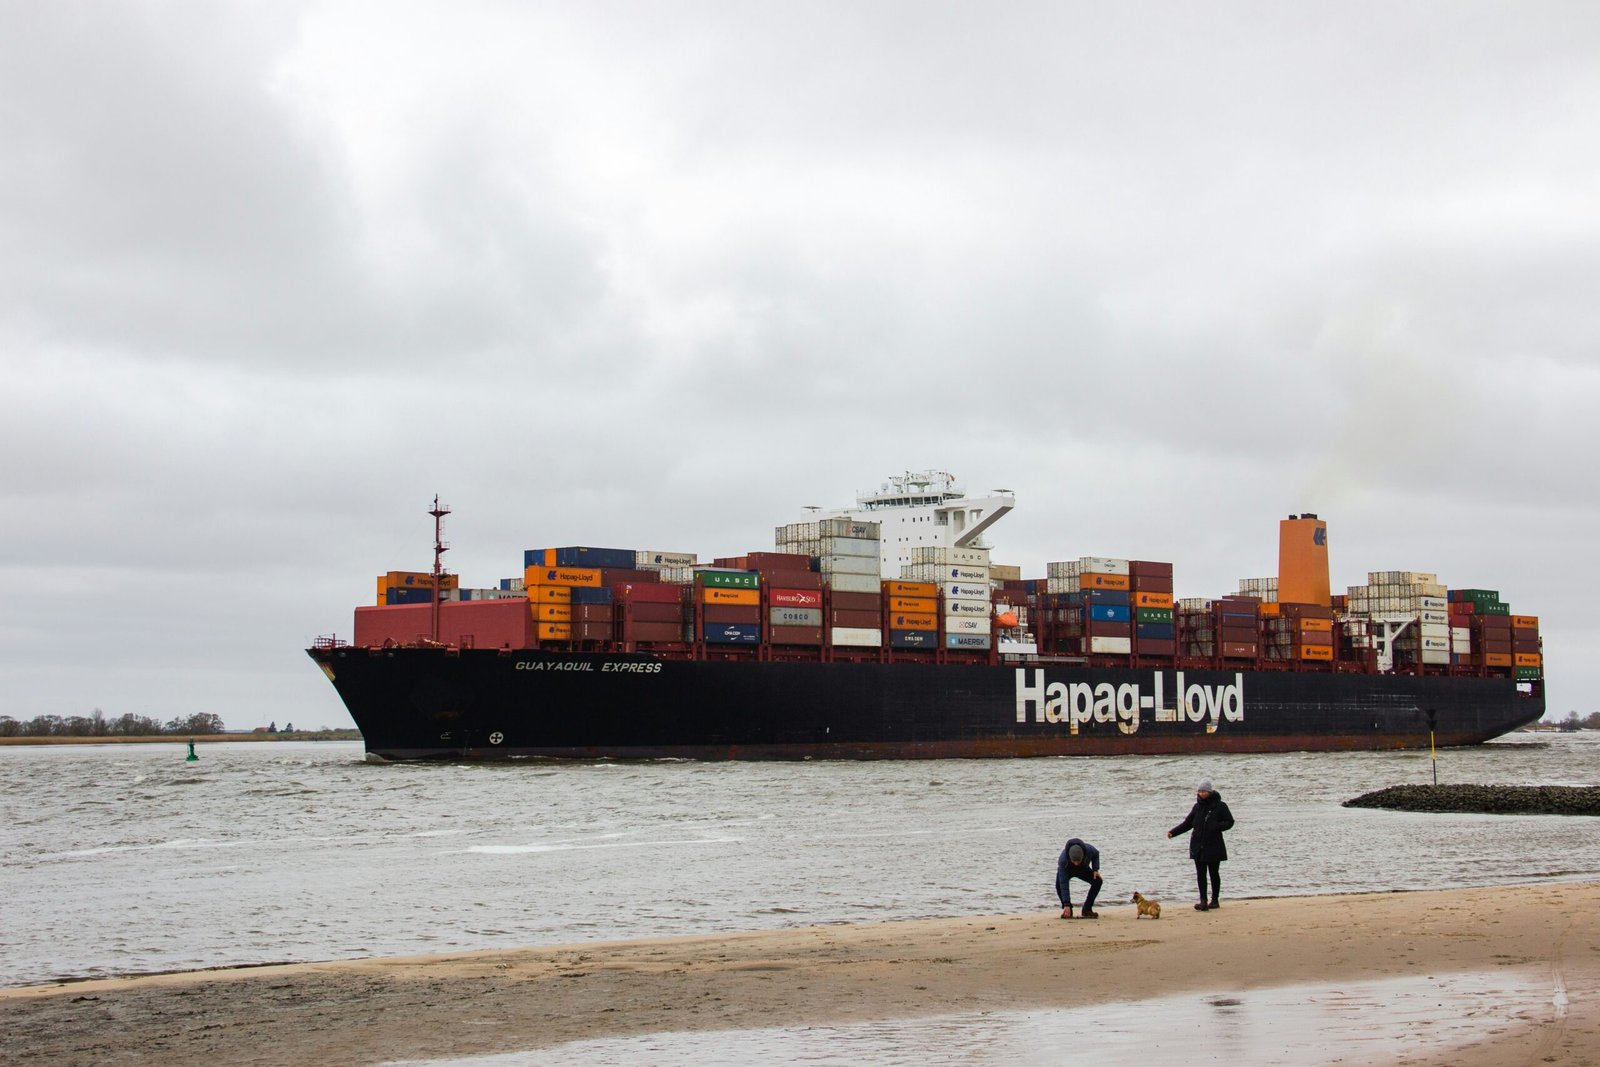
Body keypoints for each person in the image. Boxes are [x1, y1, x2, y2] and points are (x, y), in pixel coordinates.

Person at [1168, 777, 1234, 910]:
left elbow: (1229, 822)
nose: (1202, 793)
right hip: (1198, 846)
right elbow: (1188, 824)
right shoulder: (1197, 807)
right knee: (1200, 874)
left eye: (1204, 791)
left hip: (1214, 845)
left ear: (1210, 791)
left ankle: (1214, 900)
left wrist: (1216, 826)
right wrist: (1173, 832)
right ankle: (1203, 901)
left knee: (1214, 873)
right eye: (1200, 791)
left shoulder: (1220, 806)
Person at [1055, 837, 1102, 919]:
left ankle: (1087, 909)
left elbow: (1096, 854)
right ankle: (1068, 909)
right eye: (1074, 861)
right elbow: (1064, 884)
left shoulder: (1089, 850)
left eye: (1078, 861)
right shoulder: (1063, 860)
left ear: (1083, 856)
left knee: (1097, 881)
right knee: (1059, 885)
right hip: (1067, 871)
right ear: (1070, 858)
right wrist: (1066, 904)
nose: (1076, 863)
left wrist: (1095, 869)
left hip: (1083, 869)